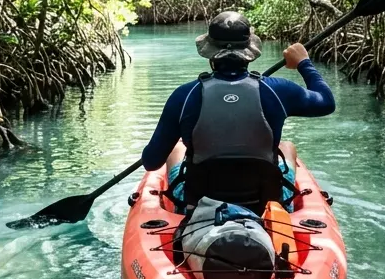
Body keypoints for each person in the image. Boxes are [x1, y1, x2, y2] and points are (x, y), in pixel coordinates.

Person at [141, 11, 335, 212]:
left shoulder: (184, 95)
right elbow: (326, 102)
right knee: (287, 147)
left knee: (176, 148)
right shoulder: (277, 90)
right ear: (249, 52)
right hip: (266, 205)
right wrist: (304, 62)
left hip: (200, 206)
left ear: (210, 53)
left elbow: (151, 162)